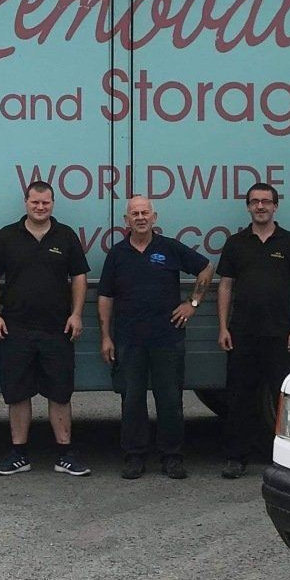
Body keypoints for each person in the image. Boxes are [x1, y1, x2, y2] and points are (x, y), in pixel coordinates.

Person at [98, 195, 213, 480]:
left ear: (154, 217)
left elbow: (206, 268)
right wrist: (105, 336)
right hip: (129, 340)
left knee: (170, 399)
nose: (140, 217)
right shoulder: (117, 254)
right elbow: (105, 296)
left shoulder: (169, 248)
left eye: (144, 213)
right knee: (132, 399)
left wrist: (193, 304)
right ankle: (134, 456)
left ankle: (172, 456)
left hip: (167, 338)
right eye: (134, 213)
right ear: (126, 220)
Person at [0, 180, 91, 477]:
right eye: (35, 202)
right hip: (15, 327)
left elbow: (79, 277)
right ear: (26, 203)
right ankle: (19, 455)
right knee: (18, 394)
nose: (40, 207)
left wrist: (77, 314)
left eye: (45, 203)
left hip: (58, 329)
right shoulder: (7, 236)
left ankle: (64, 455)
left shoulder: (65, 236)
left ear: (52, 204)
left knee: (60, 393)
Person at [215, 181, 290, 479]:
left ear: (275, 206)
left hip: (279, 334)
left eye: (266, 201)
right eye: (255, 201)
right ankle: (236, 457)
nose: (260, 206)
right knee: (239, 397)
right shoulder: (236, 243)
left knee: (281, 399)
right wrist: (223, 327)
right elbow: (225, 286)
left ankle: (288, 459)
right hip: (242, 333)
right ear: (248, 206)